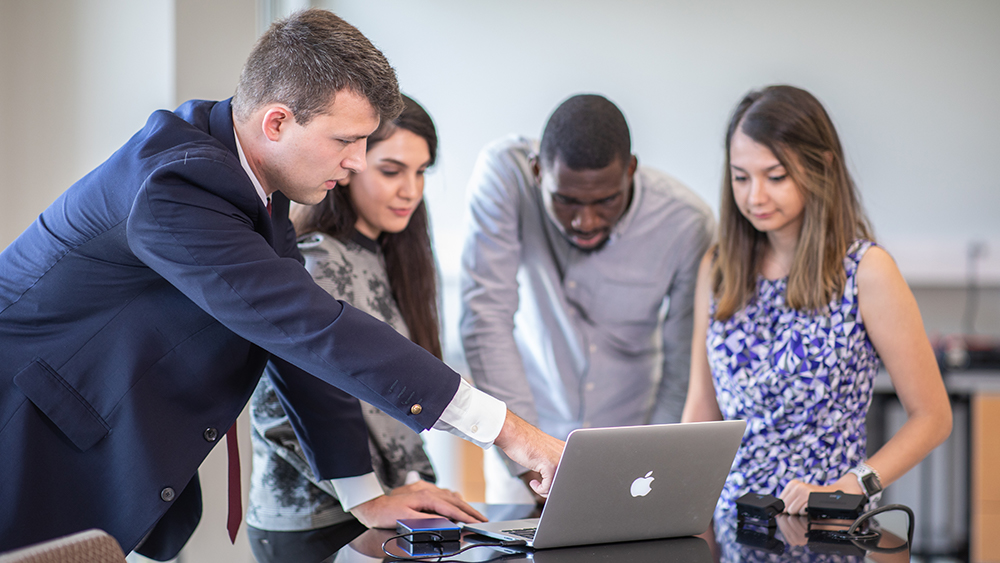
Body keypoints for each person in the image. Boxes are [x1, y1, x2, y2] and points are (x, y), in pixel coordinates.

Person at [0, 9, 562, 559]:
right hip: (30, 442)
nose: (359, 162)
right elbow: (316, 330)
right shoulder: (175, 186)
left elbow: (294, 347)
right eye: (348, 140)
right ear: (276, 122)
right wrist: (511, 433)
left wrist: (364, 497)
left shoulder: (249, 187)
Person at [681, 85, 952, 519]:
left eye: (775, 176)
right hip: (733, 522)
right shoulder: (718, 268)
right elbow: (702, 407)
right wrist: (677, 507)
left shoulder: (867, 271)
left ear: (821, 167)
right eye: (740, 177)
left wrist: (851, 485)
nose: (754, 196)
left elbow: (933, 417)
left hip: (829, 520)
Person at [245, 95, 483, 562]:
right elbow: (284, 407)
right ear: (349, 164)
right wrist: (369, 497)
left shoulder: (390, 257)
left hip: (378, 512)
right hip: (315, 521)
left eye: (421, 172)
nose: (411, 191)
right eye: (392, 171)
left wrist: (416, 484)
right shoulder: (316, 260)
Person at [460, 94, 714, 503]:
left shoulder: (686, 223)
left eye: (606, 201)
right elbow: (485, 315)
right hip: (521, 442)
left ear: (631, 170)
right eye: (567, 201)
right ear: (538, 171)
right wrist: (529, 460)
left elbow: (682, 365)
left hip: (630, 456)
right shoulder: (505, 173)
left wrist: (654, 469)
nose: (586, 221)